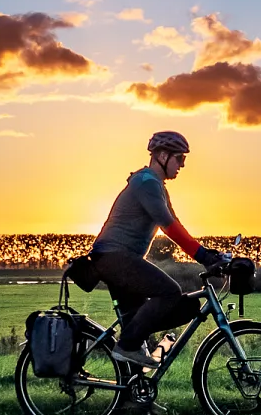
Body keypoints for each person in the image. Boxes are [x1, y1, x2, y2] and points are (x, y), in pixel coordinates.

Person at [89, 131, 225, 369]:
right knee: (169, 292)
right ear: (162, 155)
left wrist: (207, 252)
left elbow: (175, 222)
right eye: (179, 158)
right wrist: (202, 256)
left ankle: (132, 399)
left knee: (135, 326)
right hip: (115, 257)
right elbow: (168, 225)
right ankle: (127, 346)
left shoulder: (156, 186)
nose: (182, 165)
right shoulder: (147, 183)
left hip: (118, 258)